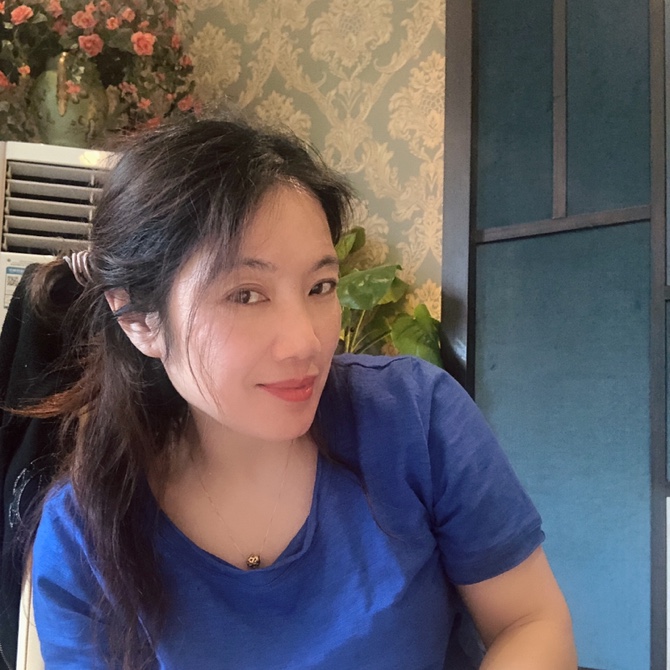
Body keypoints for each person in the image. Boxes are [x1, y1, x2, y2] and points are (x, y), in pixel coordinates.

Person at [23, 117, 577, 669]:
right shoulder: (83, 538)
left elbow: (529, 620)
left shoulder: (413, 417)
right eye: (245, 295)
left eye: (320, 287)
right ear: (139, 320)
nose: (306, 341)